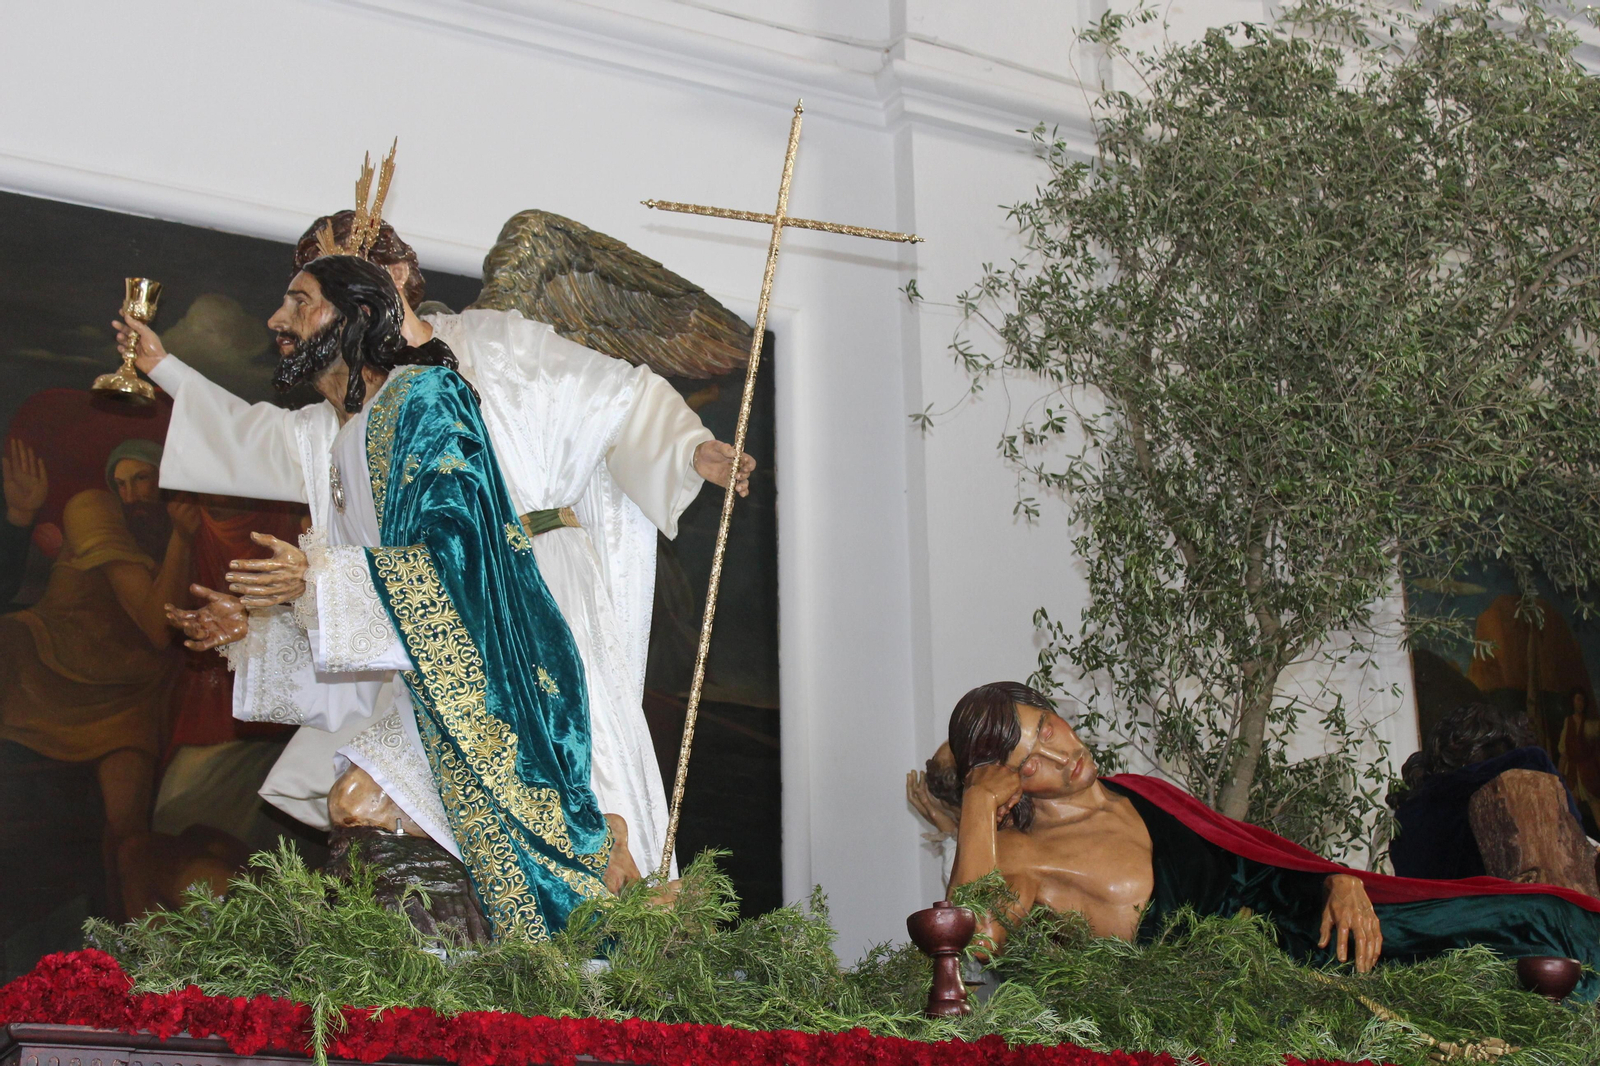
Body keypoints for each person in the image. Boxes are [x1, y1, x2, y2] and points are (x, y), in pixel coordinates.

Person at [122, 211, 753, 878]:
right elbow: (261, 441)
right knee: (384, 807)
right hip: (438, 625)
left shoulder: (484, 351)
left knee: (566, 774)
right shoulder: (352, 410)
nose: (290, 318)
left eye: (326, 291)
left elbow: (615, 399)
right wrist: (163, 369)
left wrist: (689, 449)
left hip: (532, 593)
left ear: (394, 279)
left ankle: (596, 854)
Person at [165, 255, 617, 937]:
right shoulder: (351, 435)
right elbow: (360, 632)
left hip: (491, 688)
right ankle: (441, 970)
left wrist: (317, 583)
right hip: (423, 691)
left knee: (357, 804)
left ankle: (587, 880)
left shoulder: (426, 397)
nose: (276, 320)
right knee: (355, 806)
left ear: (360, 314)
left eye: (300, 302)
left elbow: (457, 555)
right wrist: (255, 626)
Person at [945, 681, 1600, 998]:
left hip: (1321, 923)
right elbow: (968, 948)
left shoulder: (1139, 790)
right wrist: (976, 809)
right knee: (1528, 929)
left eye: (1046, 725)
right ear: (1011, 782)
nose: (1060, 755)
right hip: (1268, 985)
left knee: (1539, 913)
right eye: (1030, 760)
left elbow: (1254, 863)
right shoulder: (1026, 863)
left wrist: (1338, 877)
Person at [0, 439, 196, 918]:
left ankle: (124, 953)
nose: (130, 495)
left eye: (143, 479)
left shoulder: (176, 528)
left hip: (127, 698)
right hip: (42, 671)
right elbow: (156, 627)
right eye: (121, 483)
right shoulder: (92, 508)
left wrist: (184, 538)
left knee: (129, 837)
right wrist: (183, 540)